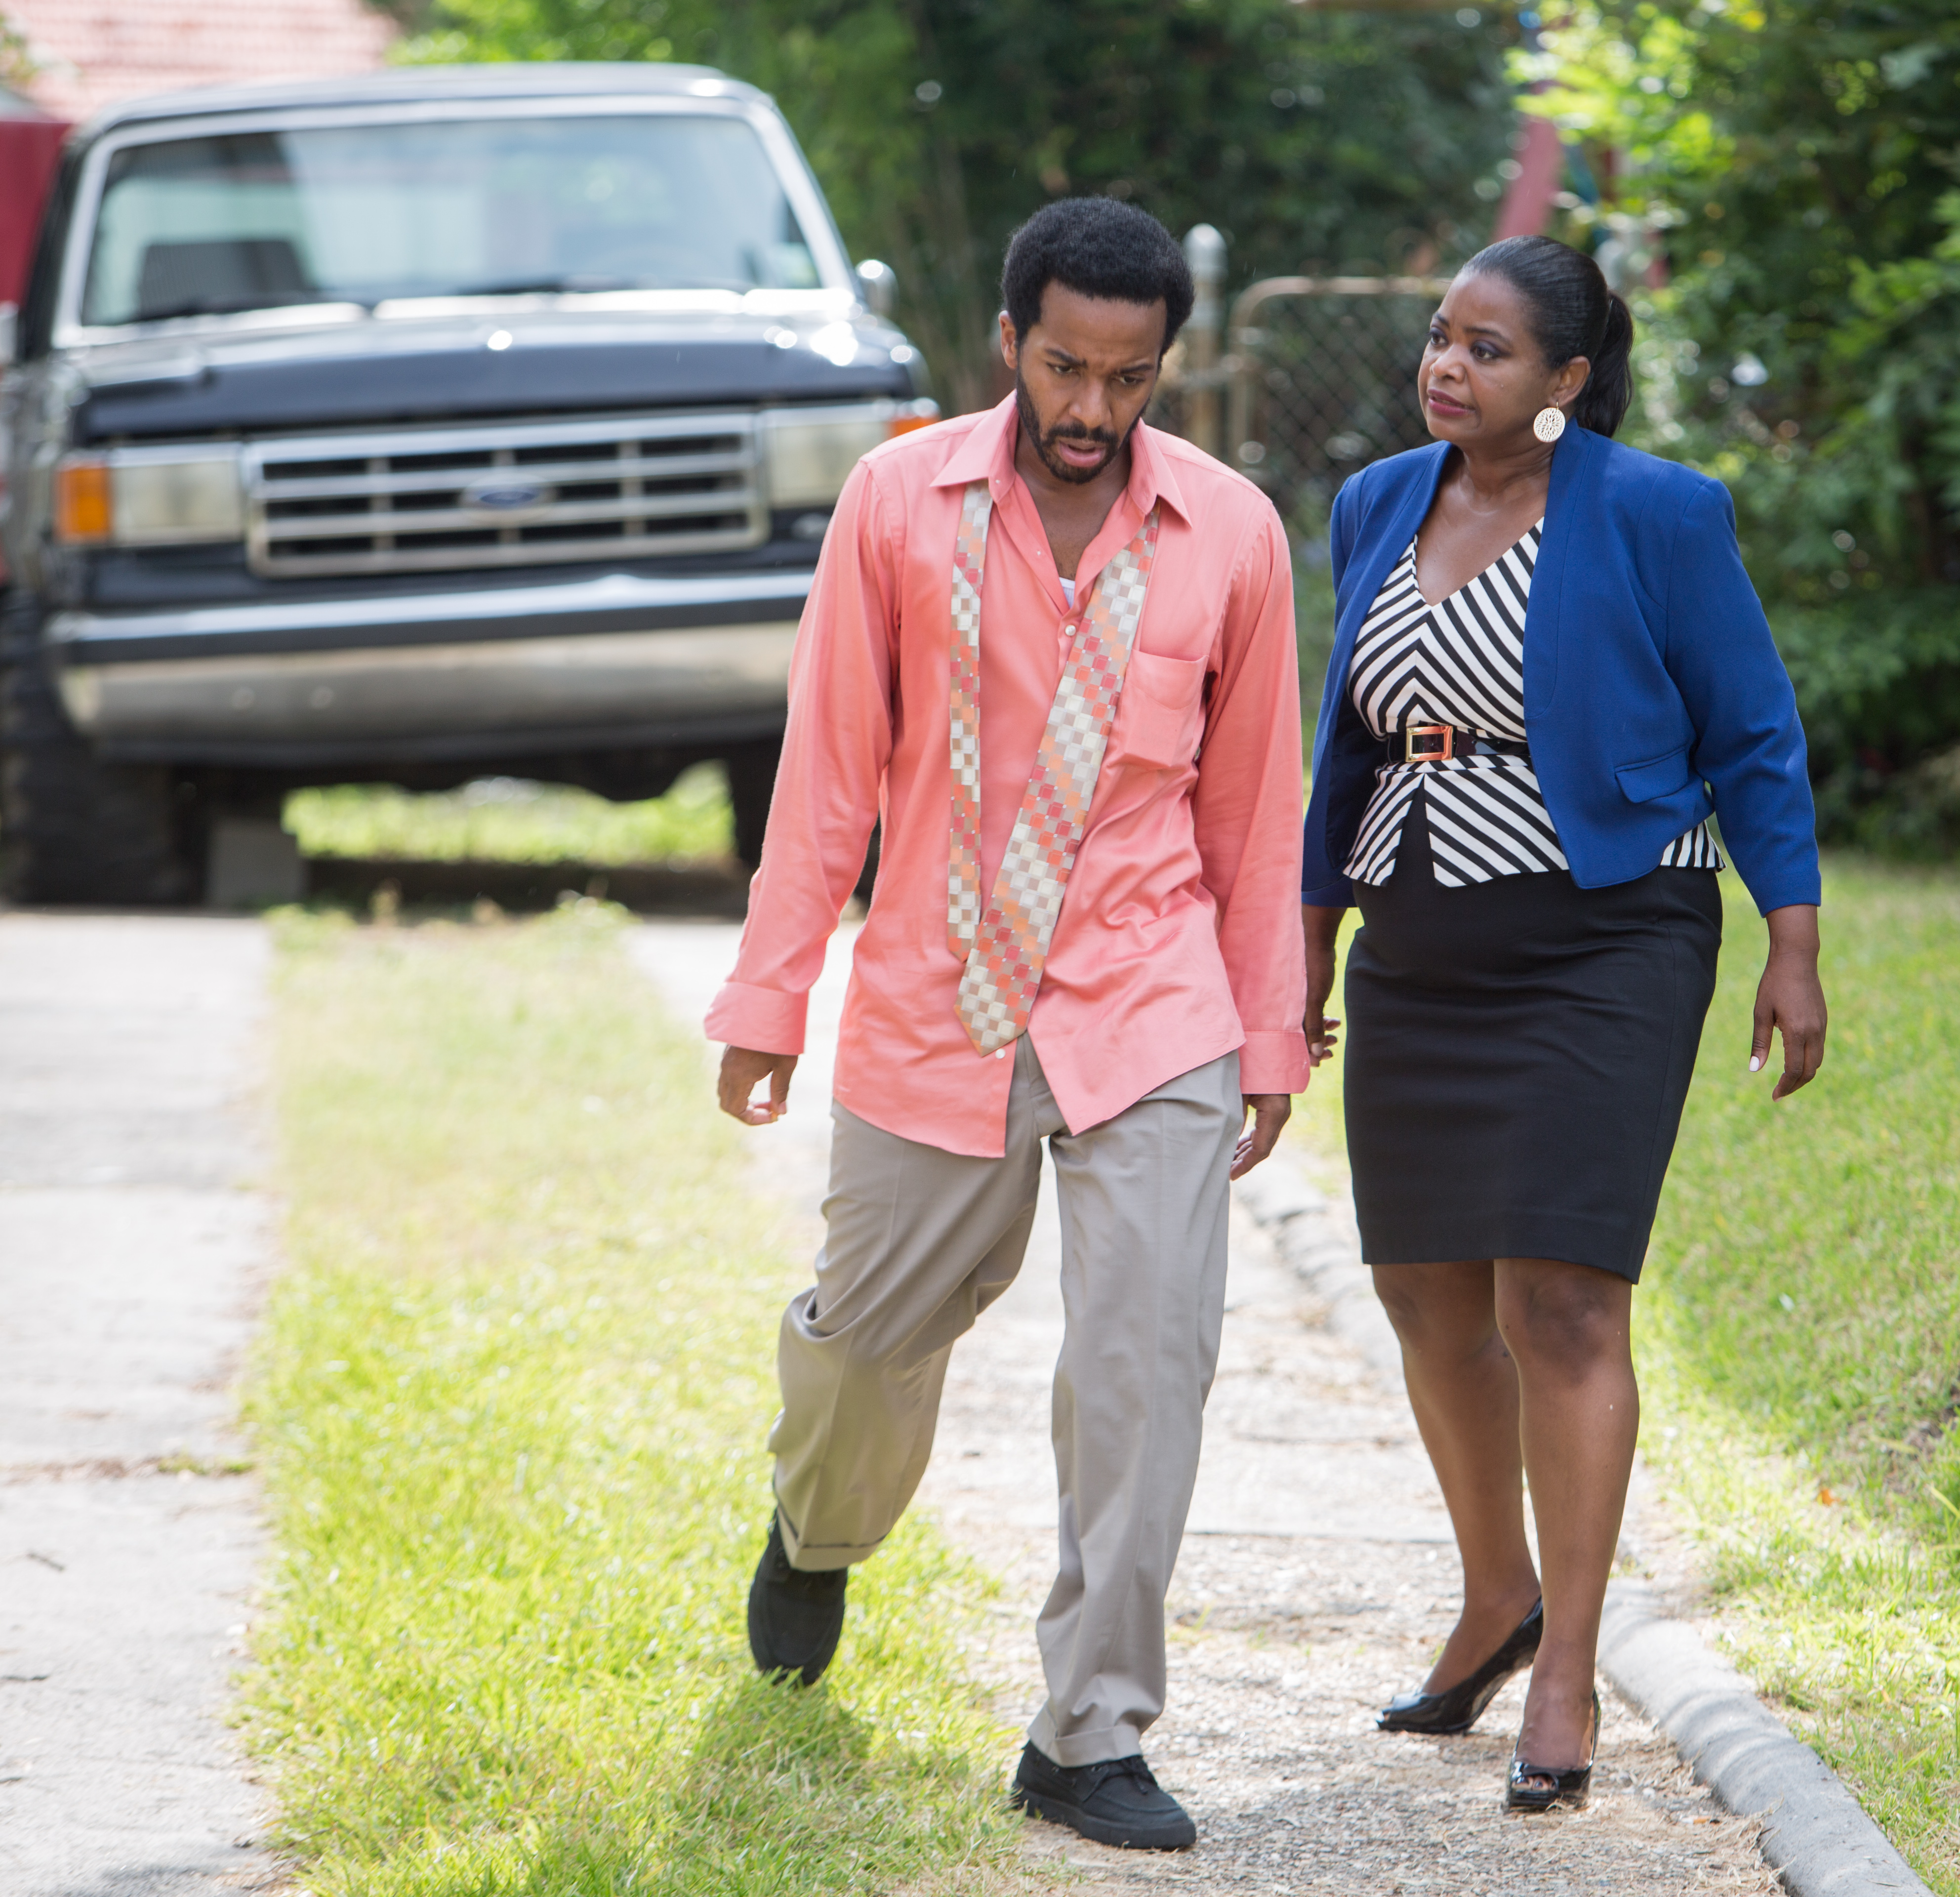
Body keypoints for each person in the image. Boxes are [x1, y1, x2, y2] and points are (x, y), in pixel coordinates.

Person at [708, 197, 1306, 1854]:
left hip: (1151, 1001)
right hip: (937, 997)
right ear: (1007, 343)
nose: (1092, 409)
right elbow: (827, 774)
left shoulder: (1233, 534)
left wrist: (1269, 1037)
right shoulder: (900, 502)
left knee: (1147, 1362)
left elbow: (1257, 815)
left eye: (1128, 377)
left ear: (1167, 365)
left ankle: (1087, 1734)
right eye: (1064, 367)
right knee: (866, 1342)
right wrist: (772, 996)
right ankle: (818, 1535)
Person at [1299, 235, 1827, 1814]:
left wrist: (1790, 948)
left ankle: (1572, 1670)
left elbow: (1754, 733)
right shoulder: (1379, 502)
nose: (1447, 369)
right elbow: (1344, 749)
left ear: (1570, 380)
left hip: (1608, 939)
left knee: (1566, 1308)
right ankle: (1493, 1594)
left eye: (1491, 351)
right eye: (1441, 339)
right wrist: (1307, 955)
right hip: (1421, 941)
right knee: (1423, 1296)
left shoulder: (1659, 512)